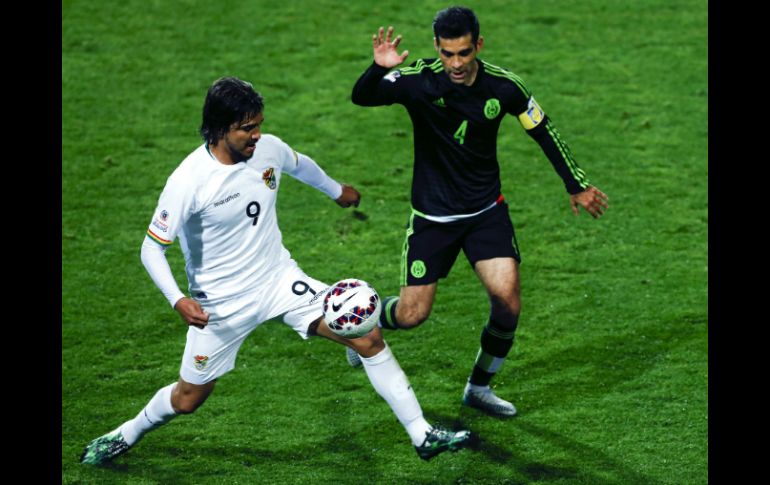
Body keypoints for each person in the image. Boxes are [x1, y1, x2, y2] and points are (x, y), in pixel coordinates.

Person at [79, 77, 470, 465]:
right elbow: (151, 248)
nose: (257, 135)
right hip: (221, 308)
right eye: (247, 128)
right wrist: (178, 299)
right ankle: (125, 433)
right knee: (187, 399)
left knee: (367, 334)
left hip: (279, 280)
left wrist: (336, 190)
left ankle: (422, 434)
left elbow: (299, 164)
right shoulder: (189, 182)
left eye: (258, 124)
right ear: (219, 128)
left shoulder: (267, 150)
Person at [346, 7, 609, 417]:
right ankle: (360, 322)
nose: (455, 63)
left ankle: (479, 388)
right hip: (433, 219)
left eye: (463, 53)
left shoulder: (504, 87)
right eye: (448, 53)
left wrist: (576, 184)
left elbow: (542, 128)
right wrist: (377, 68)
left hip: (486, 212)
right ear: (437, 47)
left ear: (478, 46)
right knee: (413, 314)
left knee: (508, 302)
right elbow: (361, 97)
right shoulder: (418, 80)